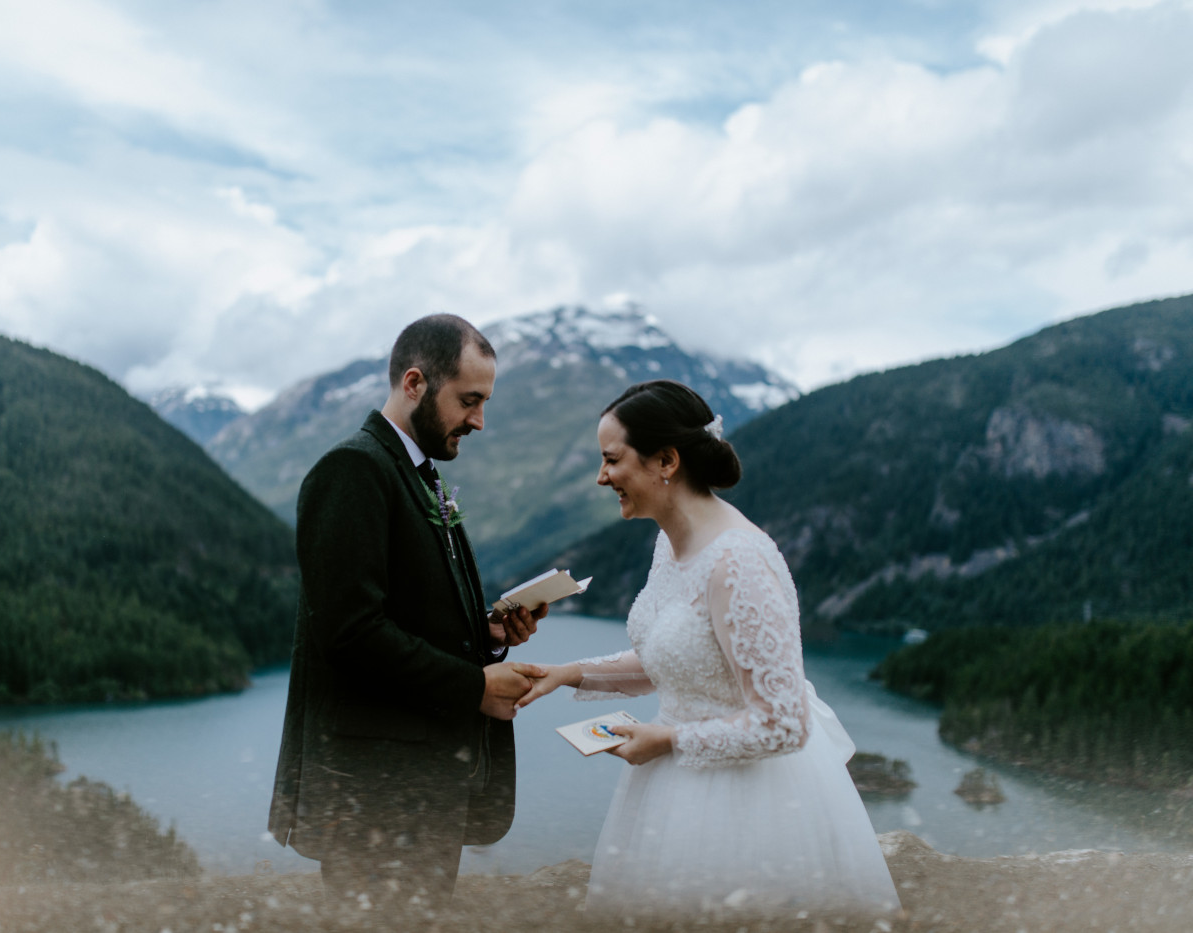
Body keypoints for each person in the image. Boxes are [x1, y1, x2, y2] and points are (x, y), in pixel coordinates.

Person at [517, 380, 899, 919]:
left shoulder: (739, 562)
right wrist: (568, 672)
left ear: (666, 460)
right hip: (673, 790)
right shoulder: (668, 545)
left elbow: (785, 724)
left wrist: (669, 740)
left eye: (611, 460)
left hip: (751, 805)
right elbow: (674, 663)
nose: (602, 477)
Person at [268, 314, 548, 912]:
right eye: (469, 401)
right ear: (415, 383)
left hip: (418, 791)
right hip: (374, 794)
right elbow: (351, 633)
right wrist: (473, 684)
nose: (479, 421)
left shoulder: (418, 476)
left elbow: (410, 612)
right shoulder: (353, 470)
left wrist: (488, 633)